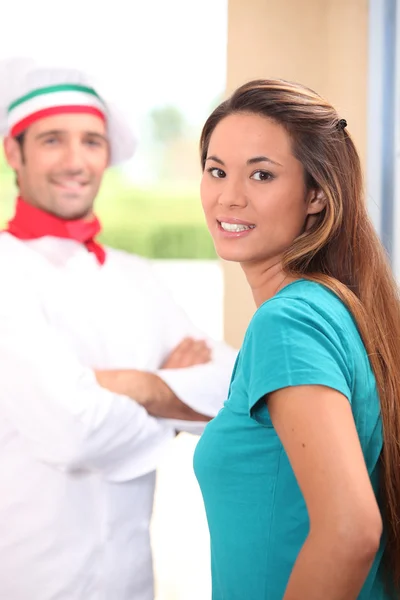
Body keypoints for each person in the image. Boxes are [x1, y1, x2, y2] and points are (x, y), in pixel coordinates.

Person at [0, 57, 236, 600]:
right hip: (26, 580)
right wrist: (170, 404)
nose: (75, 160)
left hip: (130, 581)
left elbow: (229, 388)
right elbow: (74, 431)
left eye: (91, 141)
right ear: (15, 152)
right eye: (53, 139)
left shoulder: (137, 275)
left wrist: (128, 385)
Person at [193, 78, 400, 600]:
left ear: (316, 195)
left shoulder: (288, 323)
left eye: (261, 174)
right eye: (216, 171)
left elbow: (351, 530)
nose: (229, 196)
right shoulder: (338, 308)